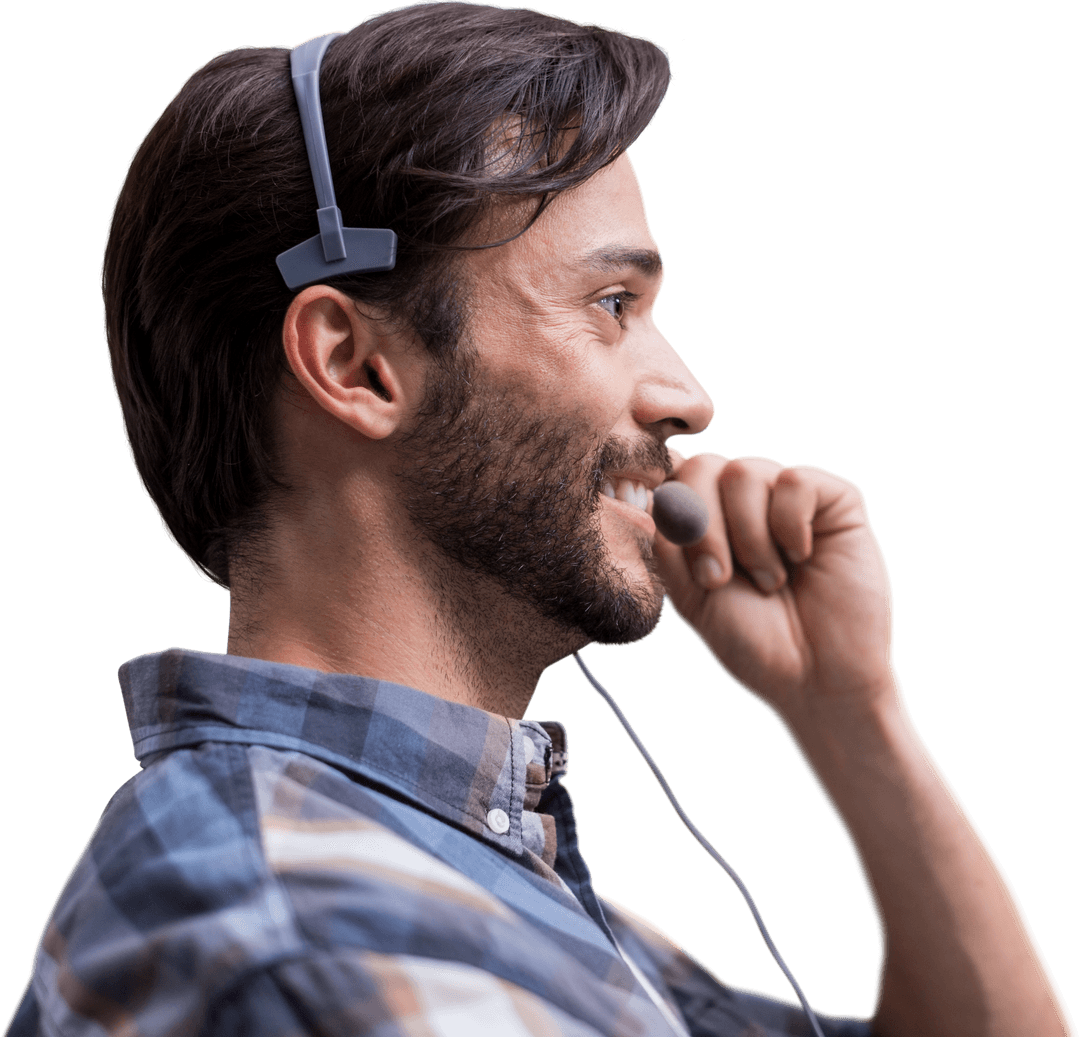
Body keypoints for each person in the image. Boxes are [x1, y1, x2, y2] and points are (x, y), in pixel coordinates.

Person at [5, 4, 1074, 1036]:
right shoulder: (302, 931)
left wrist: (850, 713)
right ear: (356, 364)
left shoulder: (448, 880)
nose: (688, 395)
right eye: (613, 305)